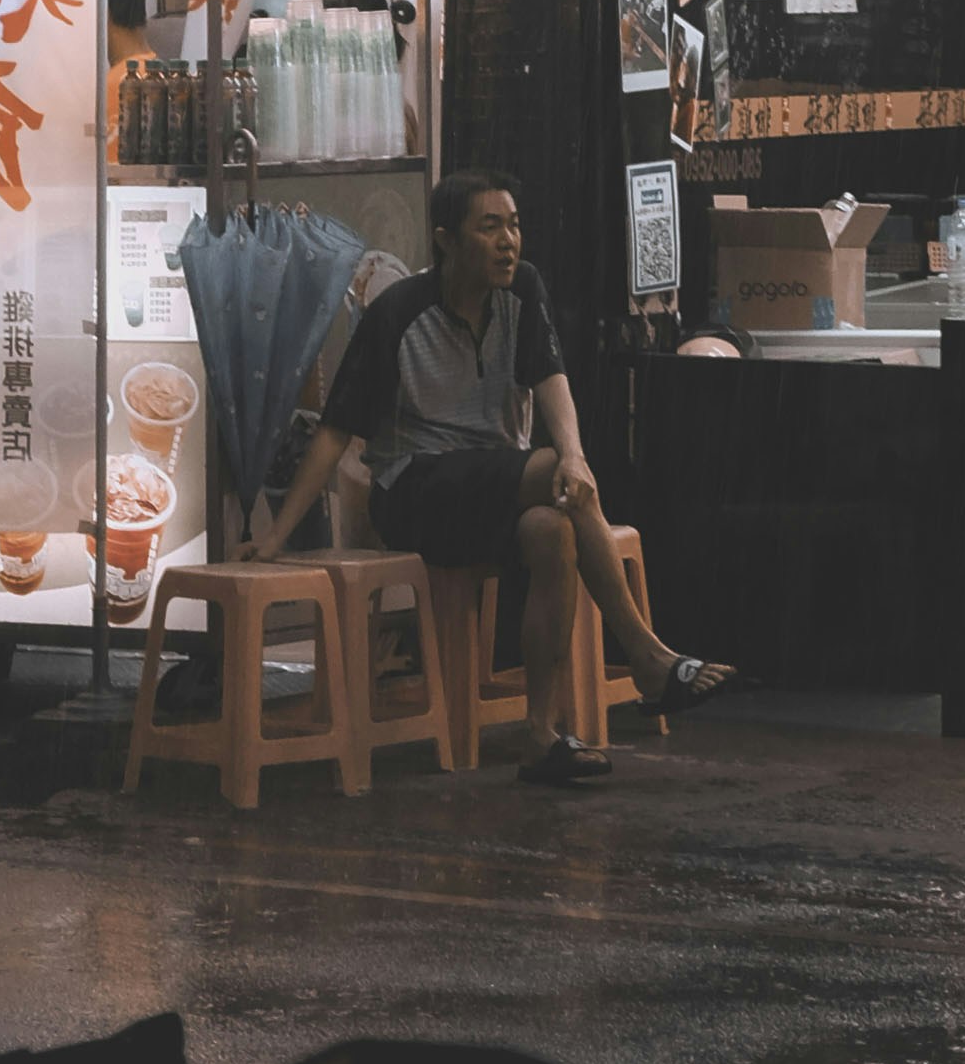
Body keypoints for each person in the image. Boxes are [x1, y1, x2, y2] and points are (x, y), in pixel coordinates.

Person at [252, 170, 732, 786]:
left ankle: (540, 734)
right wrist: (274, 537)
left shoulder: (521, 290)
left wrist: (576, 456)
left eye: (514, 225)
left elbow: (552, 381)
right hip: (414, 491)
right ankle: (646, 655)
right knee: (553, 473)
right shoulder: (397, 313)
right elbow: (335, 433)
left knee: (550, 533)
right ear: (447, 240)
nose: (509, 241)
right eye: (490, 227)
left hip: (497, 485)